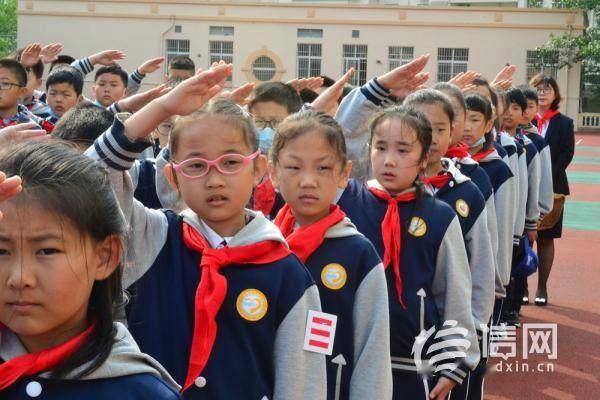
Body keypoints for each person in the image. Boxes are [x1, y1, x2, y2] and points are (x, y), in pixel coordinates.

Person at [85, 64, 327, 399]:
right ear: (173, 178)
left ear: (258, 169)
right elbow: (87, 179)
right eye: (196, 166)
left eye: (230, 163)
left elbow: (302, 384)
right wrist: (163, 107)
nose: (214, 179)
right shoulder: (155, 238)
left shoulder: (287, 273)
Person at [0, 141, 181, 399]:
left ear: (105, 256)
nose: (19, 278)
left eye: (47, 250)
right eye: (1, 251)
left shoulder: (140, 392)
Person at [337, 105, 479, 400]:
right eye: (380, 147)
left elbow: (454, 291)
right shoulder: (344, 202)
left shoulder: (440, 217)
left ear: (424, 158)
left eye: (403, 151)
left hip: (412, 364)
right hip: (347, 356)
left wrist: (456, 360)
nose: (389, 160)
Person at [269, 109, 392, 400]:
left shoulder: (357, 254)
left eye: (323, 168)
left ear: (344, 174)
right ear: (272, 172)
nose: (308, 181)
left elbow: (372, 352)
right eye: (294, 167)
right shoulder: (261, 245)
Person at [529, 74, 574, 306]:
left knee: (546, 239)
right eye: (539, 88)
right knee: (524, 238)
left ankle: (542, 287)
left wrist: (546, 176)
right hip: (525, 188)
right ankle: (520, 289)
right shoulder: (525, 121)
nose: (543, 93)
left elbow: (567, 153)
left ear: (555, 94)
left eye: (547, 89)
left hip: (553, 188)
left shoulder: (564, 123)